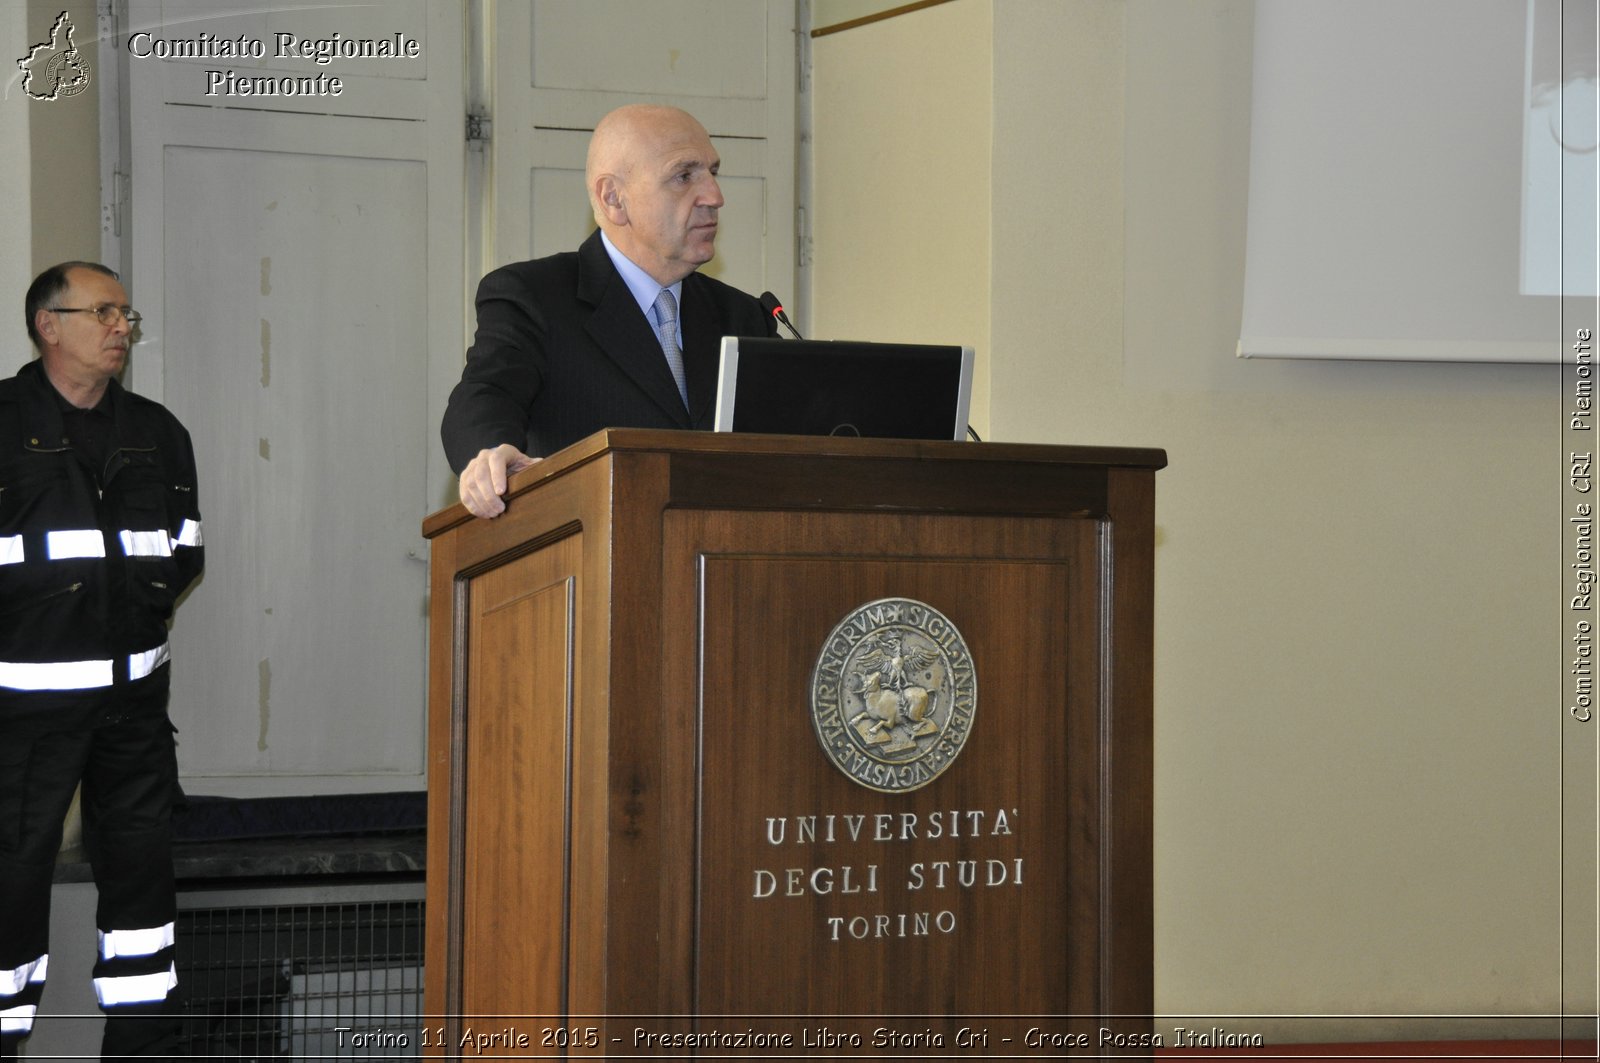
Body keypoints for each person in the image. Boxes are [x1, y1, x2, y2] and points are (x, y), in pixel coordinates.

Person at [0, 262, 203, 1059]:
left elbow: (184, 552)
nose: (122, 326)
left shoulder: (157, 431)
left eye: (128, 313)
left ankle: (142, 1045)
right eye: (103, 311)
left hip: (134, 719)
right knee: (10, 899)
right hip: (22, 722)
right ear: (48, 324)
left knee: (143, 902)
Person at [441, 103, 777, 518]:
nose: (714, 196)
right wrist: (491, 454)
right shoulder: (534, 297)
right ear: (613, 198)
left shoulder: (744, 316)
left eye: (713, 172)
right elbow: (486, 393)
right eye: (684, 176)